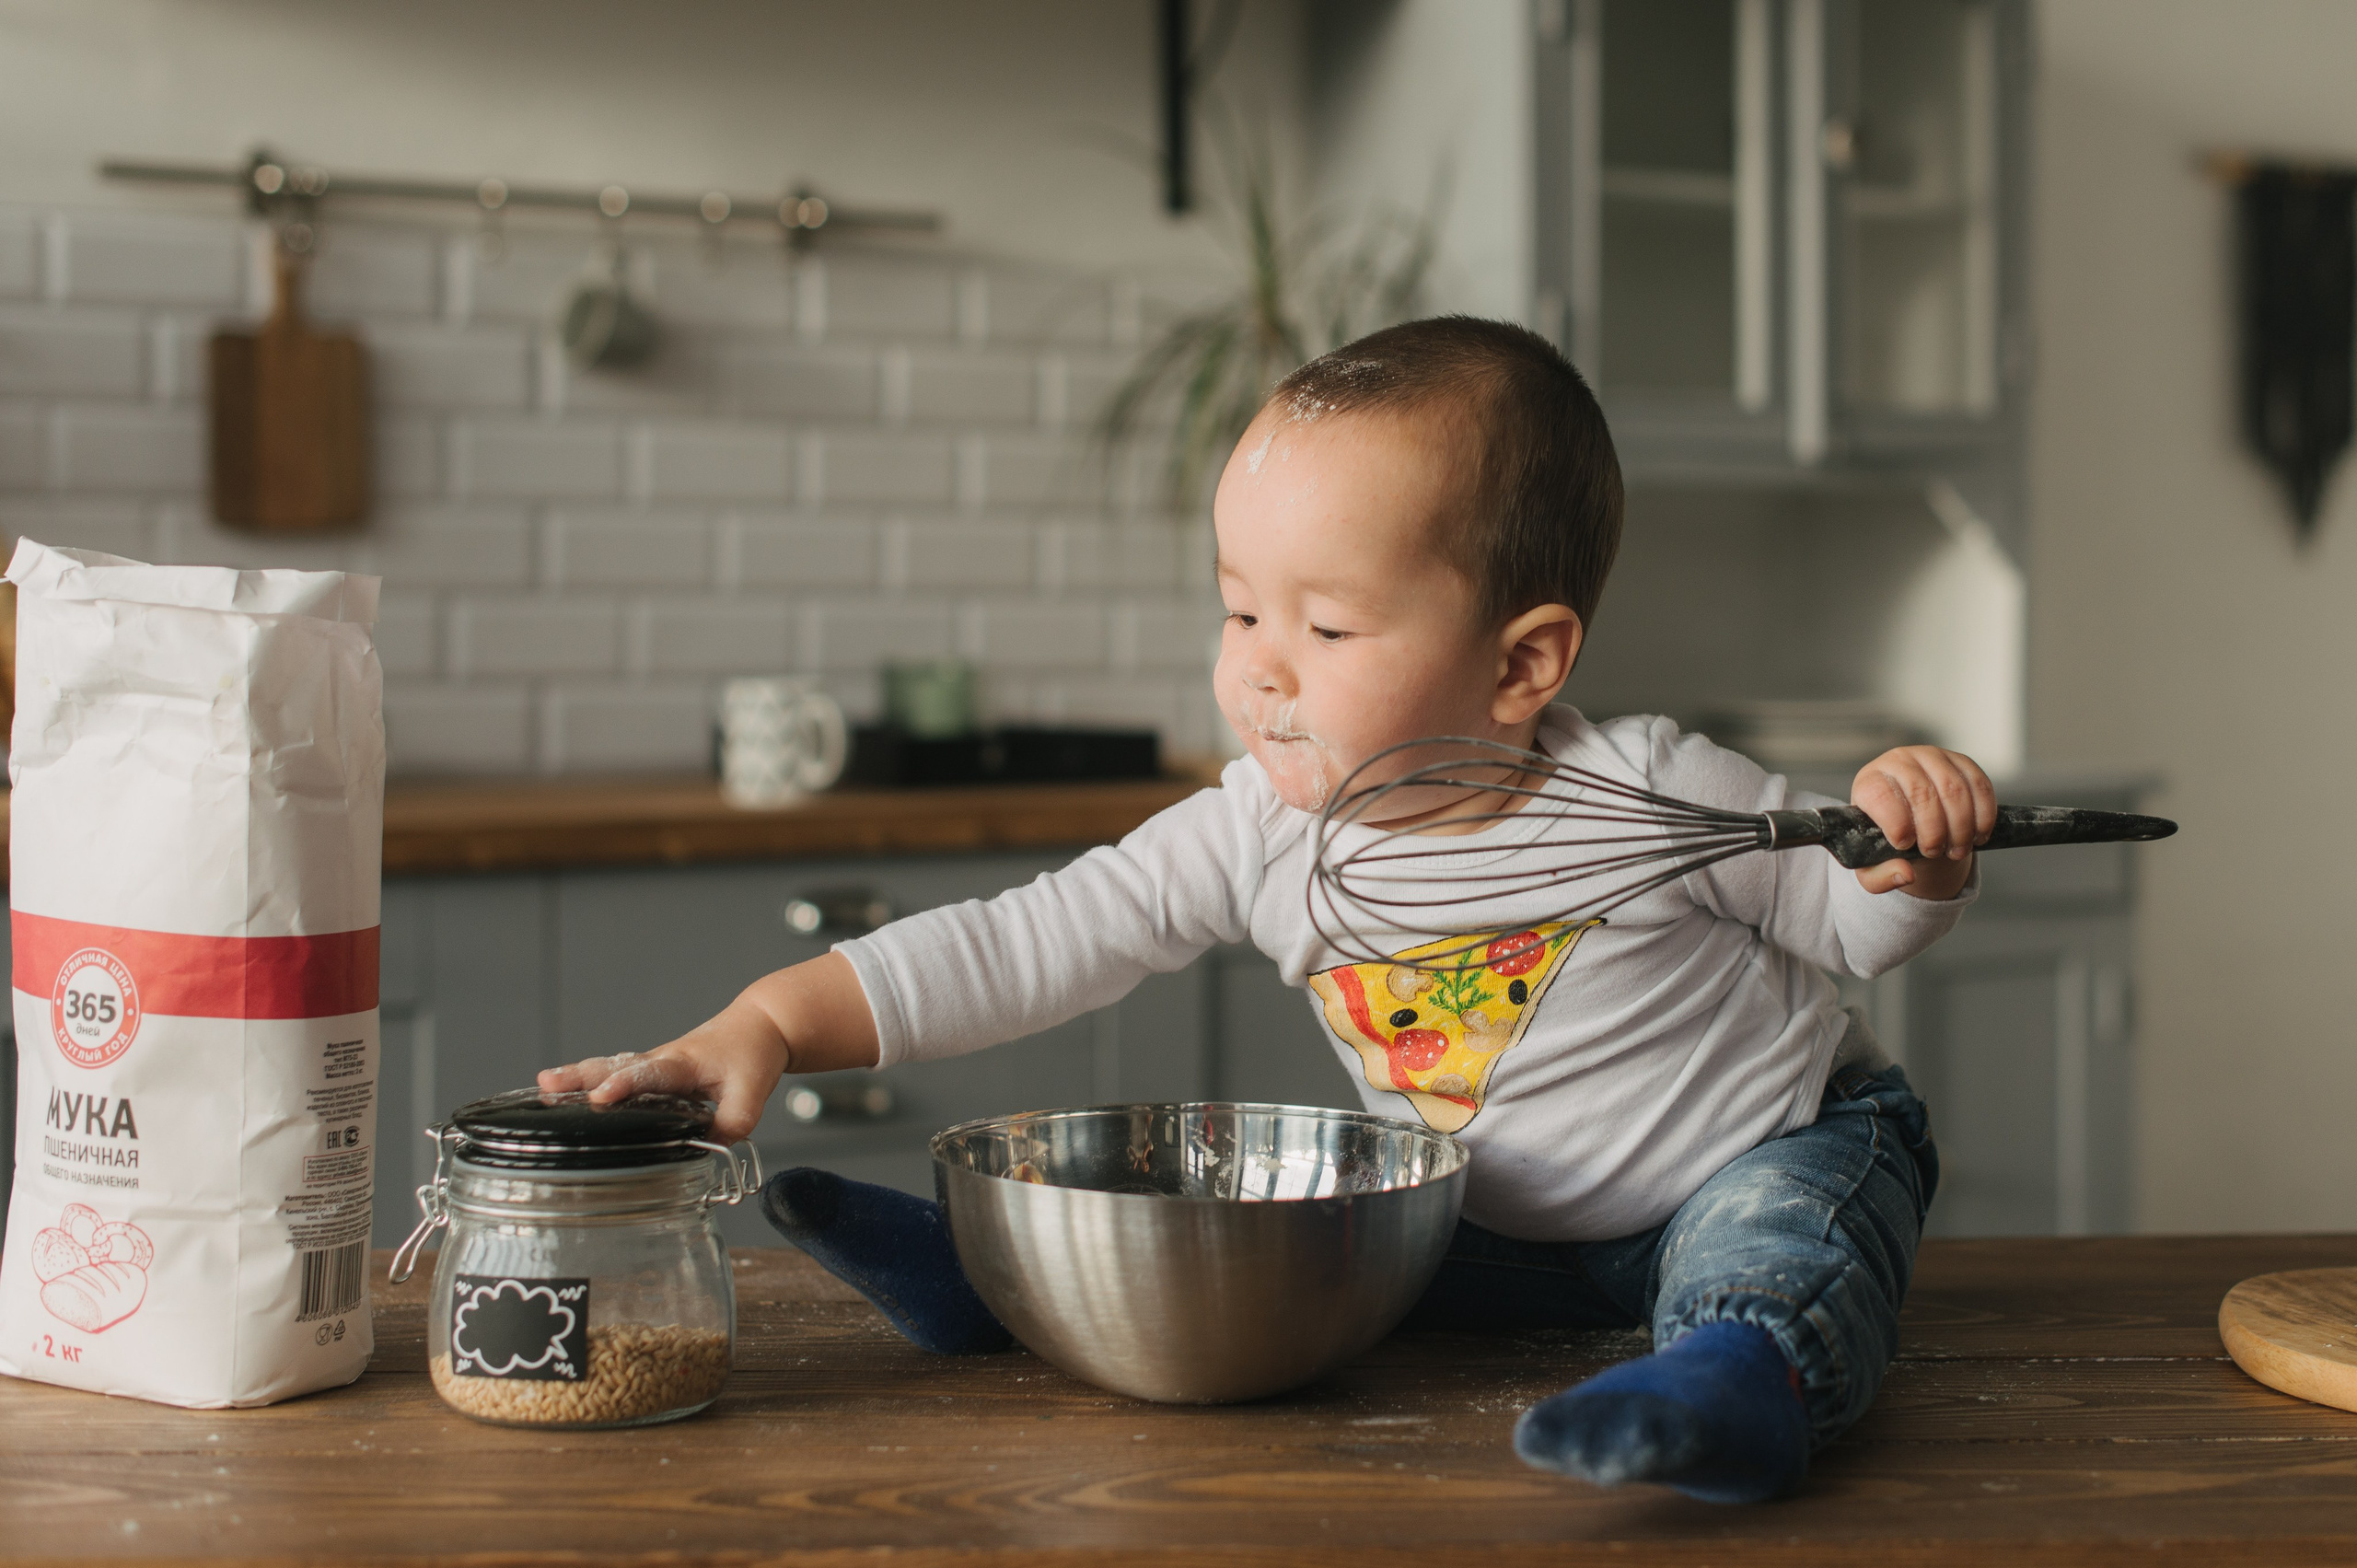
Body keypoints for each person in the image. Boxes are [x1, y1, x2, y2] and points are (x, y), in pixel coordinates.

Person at [537, 316, 1989, 1504]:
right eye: (1240, 611)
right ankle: (1019, 1288)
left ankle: (1732, 1383)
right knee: (1296, 1224)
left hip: (1753, 1156)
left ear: (1522, 662)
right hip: (1482, 1227)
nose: (1262, 672)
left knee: (1778, 1244)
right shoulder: (1257, 829)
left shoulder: (1655, 787)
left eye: (1329, 626)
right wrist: (774, 1020)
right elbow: (1029, 939)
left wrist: (1911, 856)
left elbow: (1851, 927)